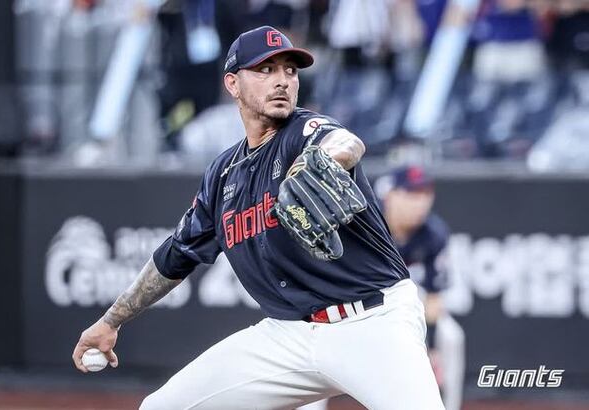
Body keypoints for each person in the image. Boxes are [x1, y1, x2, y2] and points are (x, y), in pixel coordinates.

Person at [72, 26, 444, 410]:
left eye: (290, 70)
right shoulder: (222, 175)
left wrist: (319, 162)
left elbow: (347, 142)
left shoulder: (304, 132)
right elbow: (174, 256)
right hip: (288, 336)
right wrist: (111, 321)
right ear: (232, 84)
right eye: (265, 70)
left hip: (372, 323)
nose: (282, 80)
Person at [374, 166, 466, 410]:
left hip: (407, 303)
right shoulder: (367, 222)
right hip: (359, 303)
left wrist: (431, 347)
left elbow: (434, 299)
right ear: (391, 196)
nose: (421, 203)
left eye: (425, 194)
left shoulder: (433, 233)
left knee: (452, 337)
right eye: (412, 194)